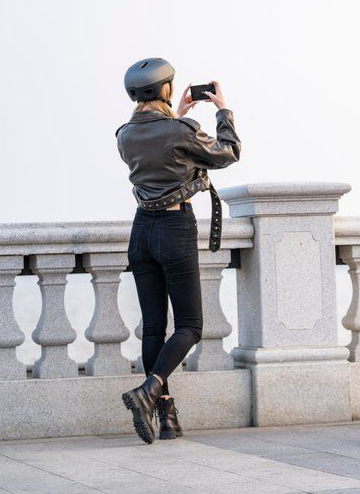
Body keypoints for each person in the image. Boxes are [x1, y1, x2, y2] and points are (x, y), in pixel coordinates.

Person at [115, 57, 241, 443]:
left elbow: (162, 150)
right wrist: (222, 110)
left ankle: (166, 417)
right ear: (165, 89)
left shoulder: (123, 134)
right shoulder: (181, 131)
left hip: (142, 232)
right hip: (173, 228)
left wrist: (180, 113)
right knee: (190, 326)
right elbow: (228, 152)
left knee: (154, 325)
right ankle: (149, 389)